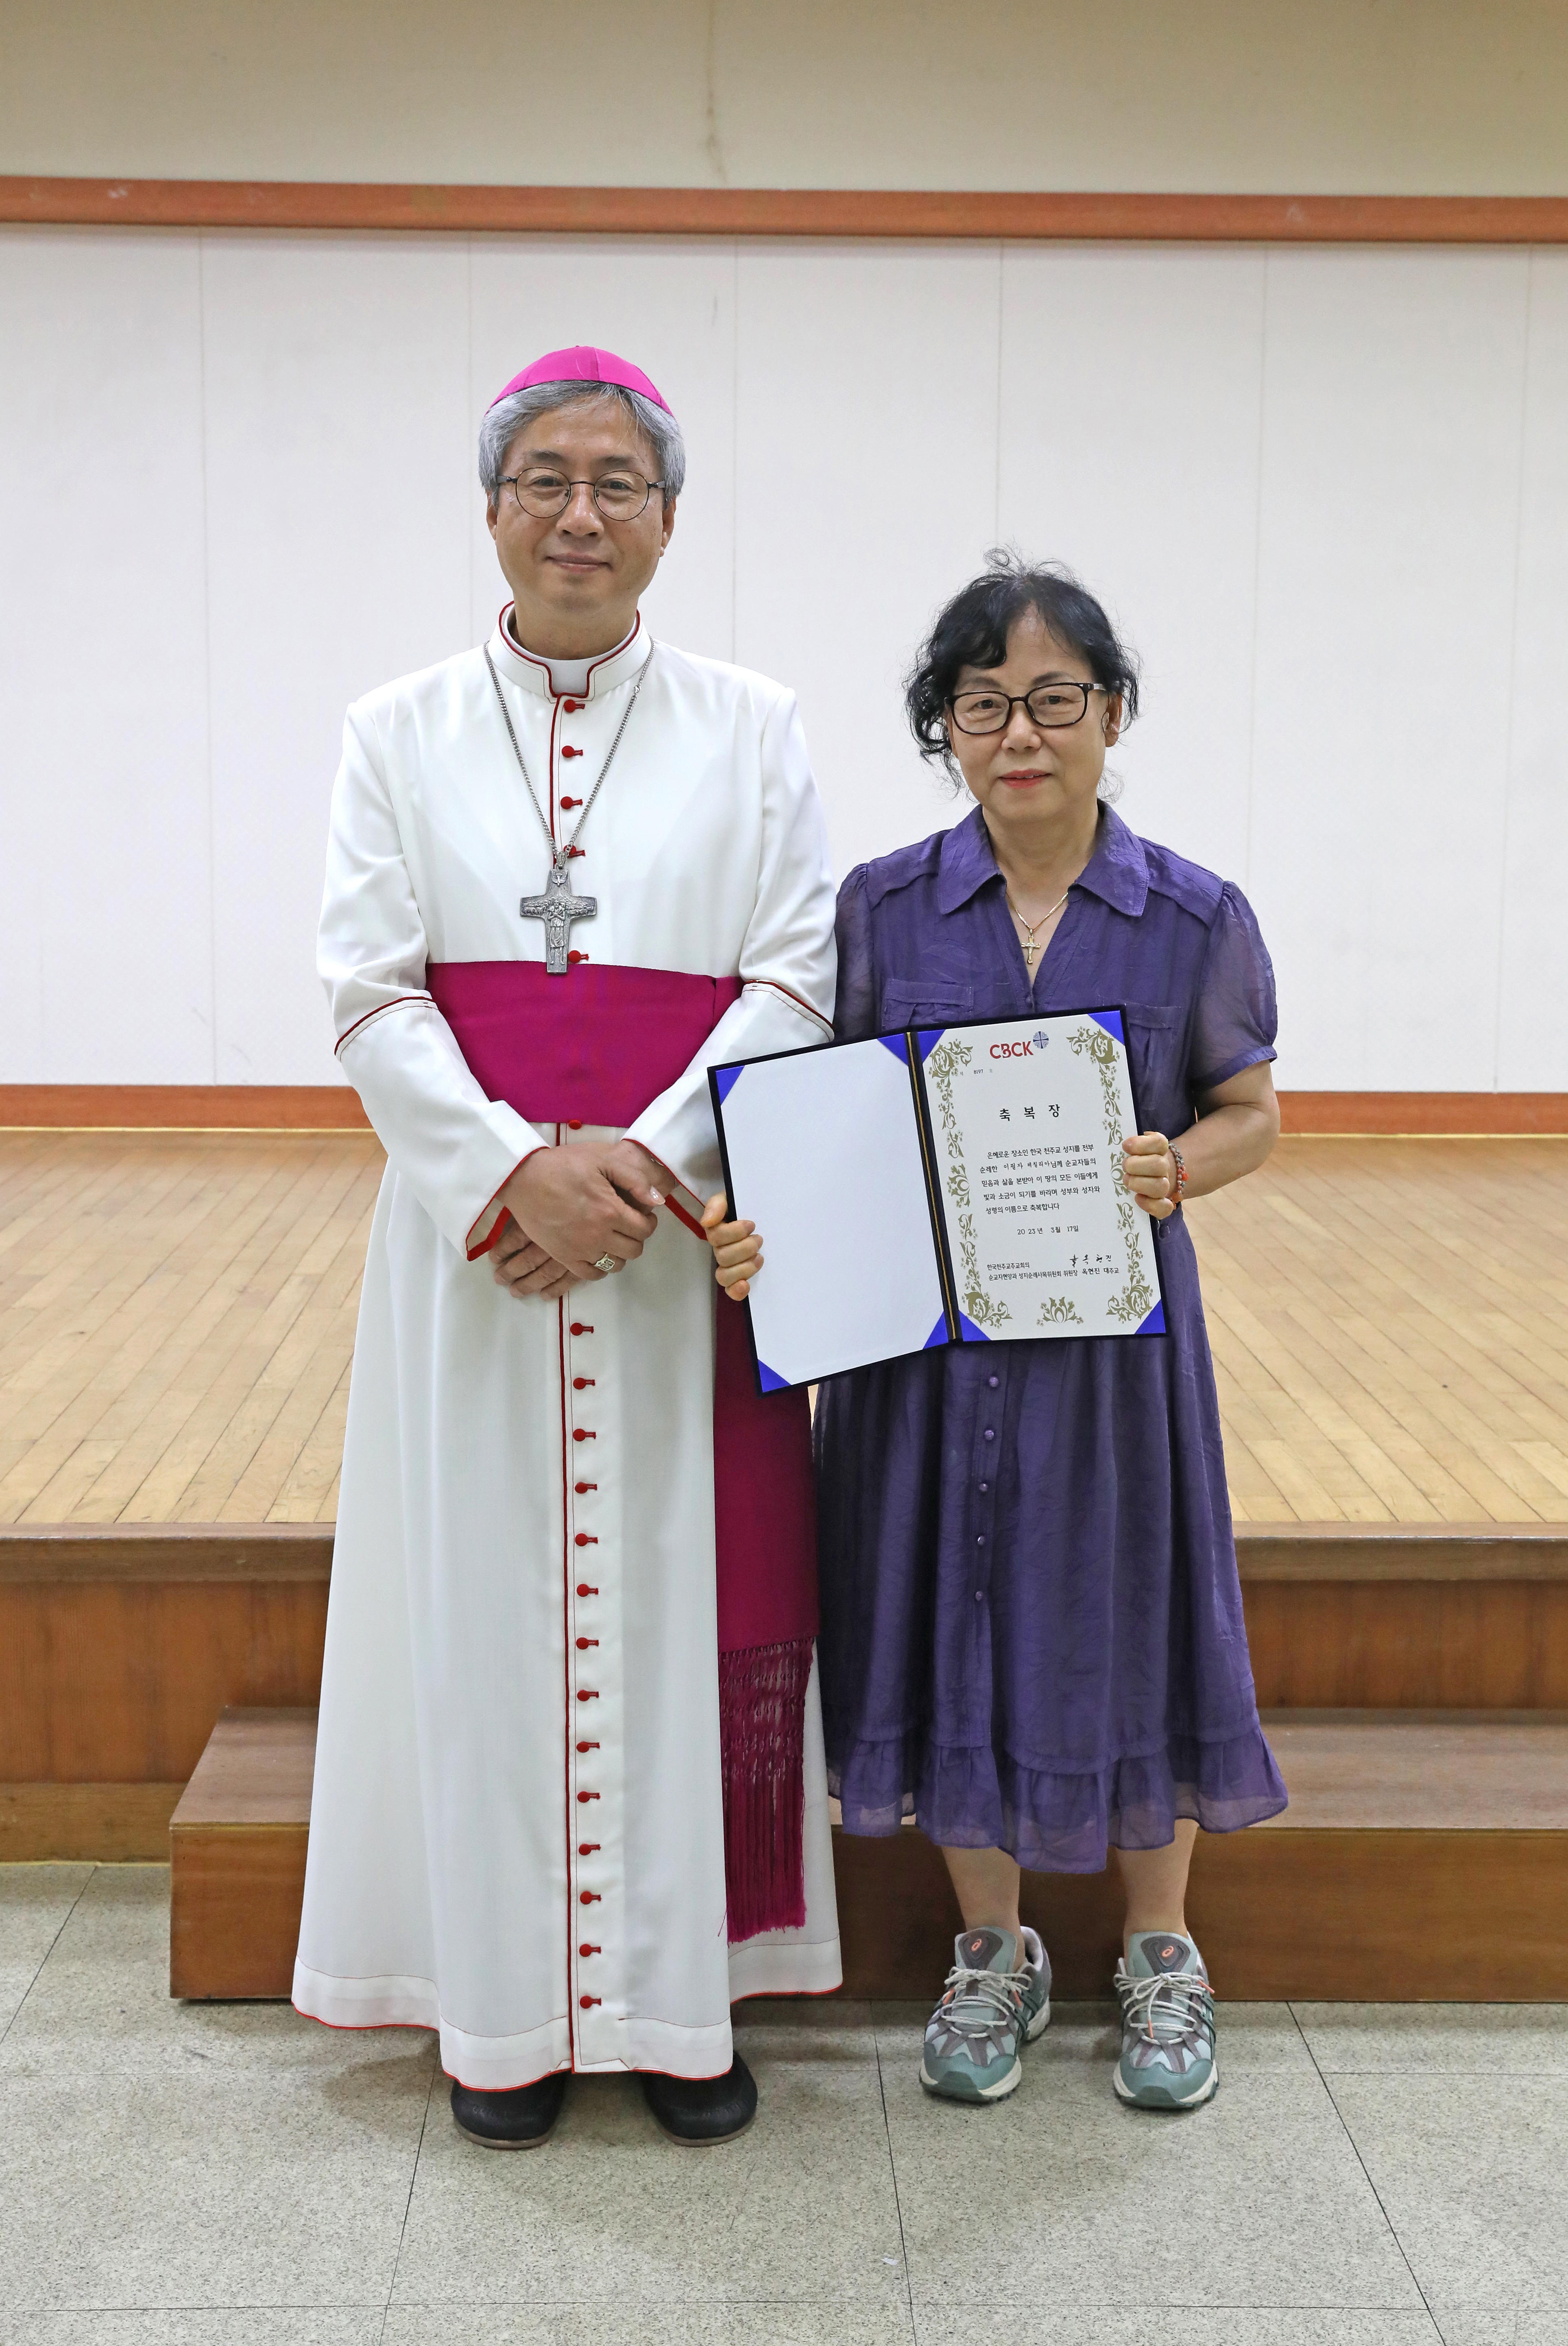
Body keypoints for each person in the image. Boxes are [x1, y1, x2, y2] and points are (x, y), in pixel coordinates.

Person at [297, 345, 843, 2151]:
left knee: (680, 1601)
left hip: (678, 1250)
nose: (581, 512)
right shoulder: (393, 730)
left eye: (619, 482)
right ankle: (503, 2018)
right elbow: (367, 987)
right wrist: (510, 1172)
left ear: (670, 520)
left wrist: (636, 1170)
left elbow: (798, 975)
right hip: (475, 1254)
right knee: (481, 1607)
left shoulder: (754, 725)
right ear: (492, 509)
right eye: (547, 477)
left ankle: (681, 2011)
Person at [706, 554, 1286, 2113]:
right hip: (923, 1357)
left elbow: (1249, 1110)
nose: (1020, 733)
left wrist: (1180, 1169)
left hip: (1114, 1357)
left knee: (1136, 1604)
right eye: (982, 705)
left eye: (1052, 699)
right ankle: (992, 1950)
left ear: (1113, 715)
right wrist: (766, 1231)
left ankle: (1160, 1950)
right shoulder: (880, 907)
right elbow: (818, 1121)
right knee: (945, 1604)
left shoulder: (1193, 916)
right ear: (946, 731)